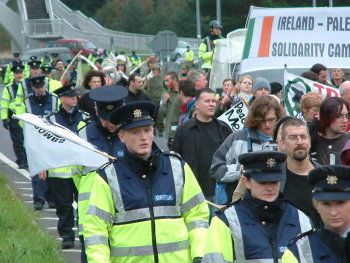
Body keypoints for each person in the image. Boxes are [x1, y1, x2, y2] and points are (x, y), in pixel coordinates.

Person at [83, 100, 209, 263]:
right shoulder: (109, 176)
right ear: (121, 136)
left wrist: (199, 255)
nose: (143, 137)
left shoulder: (177, 167)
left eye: (147, 130)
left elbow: (197, 217)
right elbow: (95, 230)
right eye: (135, 132)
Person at [202, 151, 312, 263]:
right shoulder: (226, 220)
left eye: (274, 182)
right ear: (246, 182)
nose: (269, 188)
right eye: (263, 182)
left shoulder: (301, 218)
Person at [77, 85, 128, 263]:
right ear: (97, 110)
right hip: (91, 216)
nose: (110, 124)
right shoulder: (82, 135)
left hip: (125, 216)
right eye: (106, 119)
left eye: (114, 118)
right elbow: (77, 175)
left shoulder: (132, 133)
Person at [210, 96, 284, 204]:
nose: (267, 124)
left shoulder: (284, 140)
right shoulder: (238, 137)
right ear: (255, 119)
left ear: (278, 117)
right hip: (240, 203)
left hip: (275, 204)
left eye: (271, 120)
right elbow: (216, 169)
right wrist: (241, 171)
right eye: (263, 120)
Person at [172, 88, 232, 214]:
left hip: (220, 191)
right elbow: (175, 162)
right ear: (197, 104)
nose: (211, 104)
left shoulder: (223, 128)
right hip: (194, 191)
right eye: (207, 101)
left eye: (213, 101)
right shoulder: (184, 130)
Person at [44, 83, 88, 249]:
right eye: (71, 96)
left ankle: (84, 234)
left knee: (84, 204)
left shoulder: (84, 116)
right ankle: (67, 236)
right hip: (59, 170)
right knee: (64, 206)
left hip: (80, 170)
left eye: (75, 96)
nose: (75, 99)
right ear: (62, 98)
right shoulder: (51, 119)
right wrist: (43, 166)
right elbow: (45, 144)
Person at [282, 165, 350, 263]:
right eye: (326, 204)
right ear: (316, 205)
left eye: (340, 203)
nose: (333, 212)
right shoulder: (299, 250)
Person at [17, 76, 59, 211]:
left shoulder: (54, 99)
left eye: (41, 87)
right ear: (33, 88)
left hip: (50, 139)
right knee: (36, 169)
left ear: (44, 86)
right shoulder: (27, 101)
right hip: (34, 139)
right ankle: (38, 200)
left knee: (51, 169)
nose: (39, 90)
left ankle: (51, 198)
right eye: (37, 88)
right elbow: (22, 119)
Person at [278, 117, 322, 227]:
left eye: (303, 137)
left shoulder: (324, 176)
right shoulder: (275, 179)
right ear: (282, 143)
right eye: (293, 138)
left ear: (310, 141)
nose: (299, 142)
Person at [1, 64, 27, 168]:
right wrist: (4, 118)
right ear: (14, 75)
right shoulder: (8, 88)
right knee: (17, 140)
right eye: (17, 73)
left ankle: (27, 159)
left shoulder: (27, 85)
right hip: (13, 117)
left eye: (20, 73)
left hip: (25, 116)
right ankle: (21, 160)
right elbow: (4, 104)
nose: (19, 75)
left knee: (27, 140)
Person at [310, 97, 350, 165]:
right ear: (326, 117)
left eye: (346, 116)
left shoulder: (348, 141)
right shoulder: (311, 140)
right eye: (339, 116)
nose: (345, 120)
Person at [159, 71, 182, 148]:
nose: (165, 83)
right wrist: (164, 103)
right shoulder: (166, 94)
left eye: (167, 80)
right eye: (165, 81)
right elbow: (162, 113)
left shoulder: (183, 93)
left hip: (182, 129)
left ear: (175, 80)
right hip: (170, 131)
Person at [143, 64, 166, 136]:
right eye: (154, 70)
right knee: (153, 115)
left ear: (159, 70)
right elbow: (144, 88)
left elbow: (166, 87)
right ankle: (153, 129)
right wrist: (147, 81)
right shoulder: (149, 78)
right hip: (152, 99)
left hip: (160, 98)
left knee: (160, 115)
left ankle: (160, 130)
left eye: (157, 70)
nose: (156, 71)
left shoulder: (162, 78)